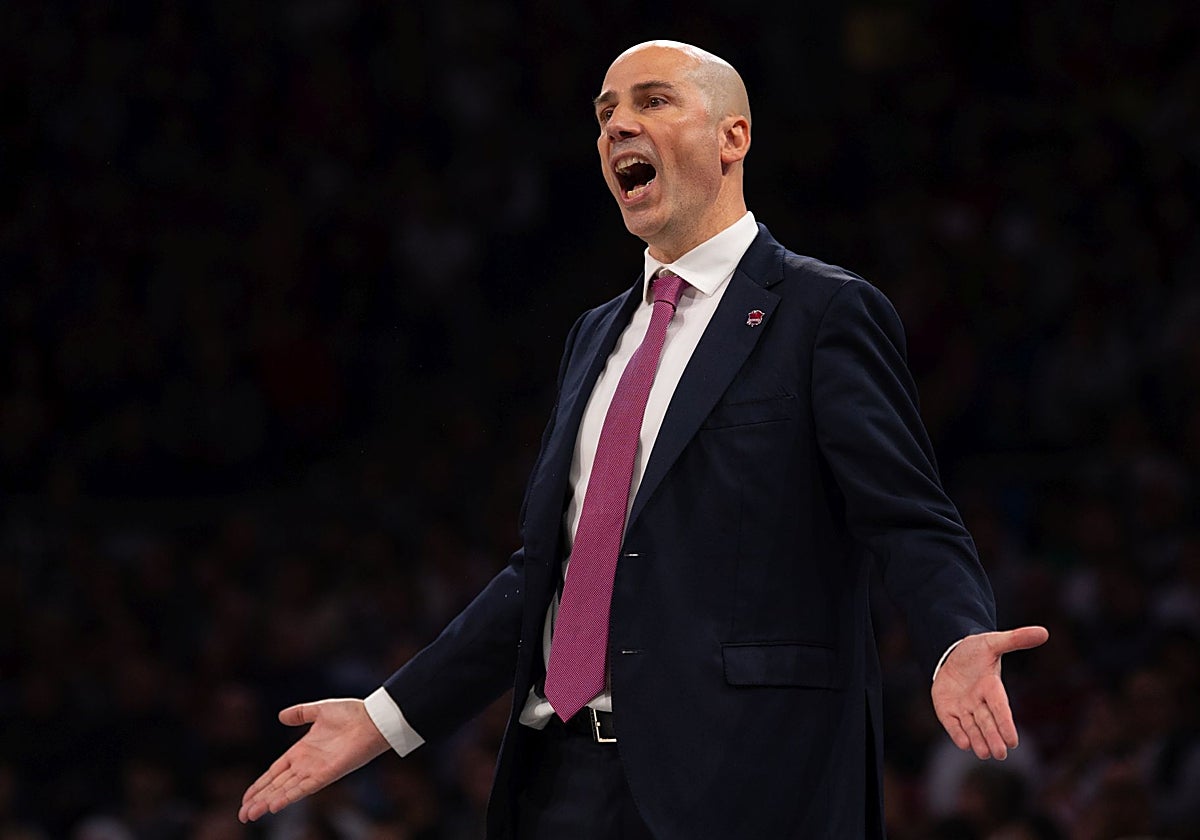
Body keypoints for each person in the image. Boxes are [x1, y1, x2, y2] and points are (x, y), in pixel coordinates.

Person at [238, 40, 1049, 838]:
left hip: (745, 779)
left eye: (652, 100)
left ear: (733, 137)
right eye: (604, 113)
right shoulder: (594, 335)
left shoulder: (822, 312)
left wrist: (954, 639)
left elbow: (907, 514)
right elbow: (548, 570)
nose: (618, 125)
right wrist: (386, 717)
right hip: (563, 782)